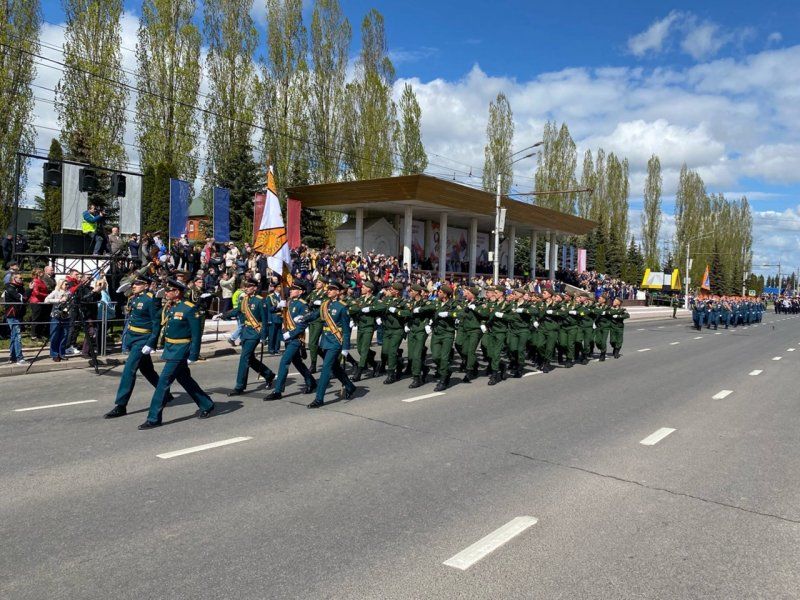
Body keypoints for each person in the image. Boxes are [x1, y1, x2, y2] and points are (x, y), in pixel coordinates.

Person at [139, 278, 215, 429]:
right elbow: (157, 318)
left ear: (177, 292)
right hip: (171, 348)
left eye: (168, 291)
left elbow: (196, 334)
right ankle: (206, 404)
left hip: (181, 350)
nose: (166, 293)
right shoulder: (170, 306)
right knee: (184, 379)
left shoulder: (189, 308)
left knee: (163, 383)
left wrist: (193, 354)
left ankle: (154, 418)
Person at [104, 275, 174, 418]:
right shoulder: (135, 297)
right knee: (147, 370)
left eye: (138, 283)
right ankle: (165, 393)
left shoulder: (150, 299)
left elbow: (156, 323)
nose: (134, 285)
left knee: (129, 370)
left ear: (146, 285)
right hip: (133, 338)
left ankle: (121, 405)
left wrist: (151, 342)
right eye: (134, 283)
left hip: (142, 340)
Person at [214, 278, 275, 395]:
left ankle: (239, 386)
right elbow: (237, 310)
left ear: (255, 288)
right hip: (245, 332)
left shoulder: (260, 301)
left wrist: (264, 336)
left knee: (244, 358)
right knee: (250, 359)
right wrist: (223, 314)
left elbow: (265, 320)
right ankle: (268, 374)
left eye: (249, 286)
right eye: (245, 286)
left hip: (255, 332)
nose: (246, 288)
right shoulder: (244, 300)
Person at [305, 280, 356, 408]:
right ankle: (349, 386)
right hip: (325, 340)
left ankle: (319, 398)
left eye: (332, 289)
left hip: (335, 341)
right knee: (335, 368)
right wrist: (304, 318)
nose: (328, 290)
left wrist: (345, 347)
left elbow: (345, 329)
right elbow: (315, 315)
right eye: (328, 289)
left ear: (338, 292)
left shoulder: (342, 307)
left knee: (326, 369)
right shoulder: (325, 304)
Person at [264, 282, 317, 400]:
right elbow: (271, 310)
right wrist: (278, 306)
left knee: (284, 361)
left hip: (296, 338)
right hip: (288, 338)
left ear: (301, 292)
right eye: (291, 289)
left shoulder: (303, 305)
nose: (291, 291)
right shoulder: (288, 301)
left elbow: (303, 324)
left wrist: (290, 334)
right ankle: (311, 381)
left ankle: (278, 391)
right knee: (297, 362)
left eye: (294, 289)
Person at [350, 280, 384, 381]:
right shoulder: (360, 299)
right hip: (360, 326)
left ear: (369, 289)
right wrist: (356, 313)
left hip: (369, 326)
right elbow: (352, 308)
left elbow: (382, 307)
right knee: (360, 349)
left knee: (364, 349)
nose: (361, 288)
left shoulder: (374, 299)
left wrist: (370, 309)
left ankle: (359, 373)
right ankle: (375, 364)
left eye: (363, 287)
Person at [429, 284, 459, 391]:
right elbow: (429, 311)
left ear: (445, 294)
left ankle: (443, 381)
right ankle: (446, 371)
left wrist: (449, 314)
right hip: (437, 333)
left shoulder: (453, 303)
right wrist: (429, 323)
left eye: (440, 292)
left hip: (447, 333)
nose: (438, 293)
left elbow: (460, 313)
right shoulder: (436, 302)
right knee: (435, 356)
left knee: (444, 358)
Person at [3, 271, 27, 365]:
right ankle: (19, 358)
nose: (22, 279)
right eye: (20, 278)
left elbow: (25, 298)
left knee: (14, 336)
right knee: (17, 336)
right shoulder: (10, 287)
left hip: (18, 314)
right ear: (14, 278)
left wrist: (25, 292)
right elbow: (22, 298)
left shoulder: (19, 287)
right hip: (12, 315)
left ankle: (13, 357)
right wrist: (29, 290)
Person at [45, 280, 71, 361]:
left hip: (66, 316)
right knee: (54, 336)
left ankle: (61, 353)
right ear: (61, 284)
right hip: (56, 316)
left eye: (68, 284)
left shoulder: (69, 293)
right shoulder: (56, 292)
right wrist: (58, 300)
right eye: (66, 284)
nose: (67, 286)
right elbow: (46, 300)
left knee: (64, 335)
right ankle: (54, 354)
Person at [28, 268, 50, 339]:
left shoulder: (41, 281)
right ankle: (33, 335)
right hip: (36, 301)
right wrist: (46, 295)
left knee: (41, 318)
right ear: (38, 274)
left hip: (41, 301)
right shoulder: (35, 281)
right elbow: (36, 293)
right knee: (36, 318)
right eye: (41, 272)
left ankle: (39, 334)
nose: (43, 273)